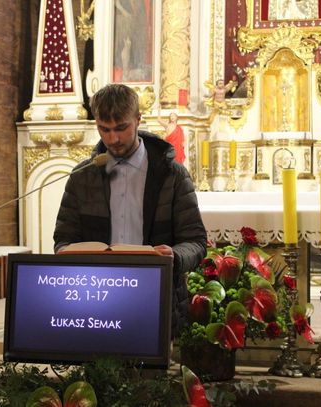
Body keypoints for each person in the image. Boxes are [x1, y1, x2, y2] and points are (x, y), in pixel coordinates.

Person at [53, 84, 207, 336]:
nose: (113, 139)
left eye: (121, 128)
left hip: (156, 294)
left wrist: (175, 256)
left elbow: (196, 241)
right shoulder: (83, 176)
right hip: (98, 295)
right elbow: (64, 239)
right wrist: (68, 254)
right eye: (104, 129)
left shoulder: (172, 174)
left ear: (138, 119)